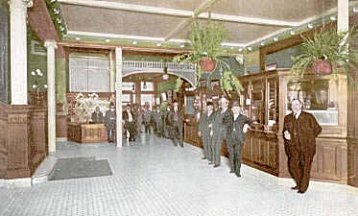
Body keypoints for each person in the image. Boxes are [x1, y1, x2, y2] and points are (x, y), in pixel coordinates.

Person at [283, 99, 322, 193]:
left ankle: (303, 187)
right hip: (293, 146)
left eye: (296, 104)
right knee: (293, 165)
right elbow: (285, 129)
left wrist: (308, 138)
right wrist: (285, 133)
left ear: (301, 105)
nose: (294, 107)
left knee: (305, 167)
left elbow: (318, 129)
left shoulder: (308, 116)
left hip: (307, 147)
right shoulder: (287, 117)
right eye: (292, 105)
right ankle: (300, 183)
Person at [228, 101, 253, 177]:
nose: (235, 110)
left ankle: (237, 171)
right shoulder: (229, 117)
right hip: (230, 138)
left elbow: (251, 121)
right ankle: (232, 168)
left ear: (239, 109)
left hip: (239, 139)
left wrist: (246, 125)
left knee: (238, 155)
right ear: (232, 109)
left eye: (237, 108)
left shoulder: (243, 117)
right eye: (234, 108)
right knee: (231, 154)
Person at [211, 96, 233, 167]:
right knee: (216, 146)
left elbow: (228, 123)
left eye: (224, 102)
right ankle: (217, 162)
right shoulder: (218, 111)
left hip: (226, 132)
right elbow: (214, 120)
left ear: (227, 103)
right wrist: (212, 129)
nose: (222, 104)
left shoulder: (229, 112)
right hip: (218, 132)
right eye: (221, 102)